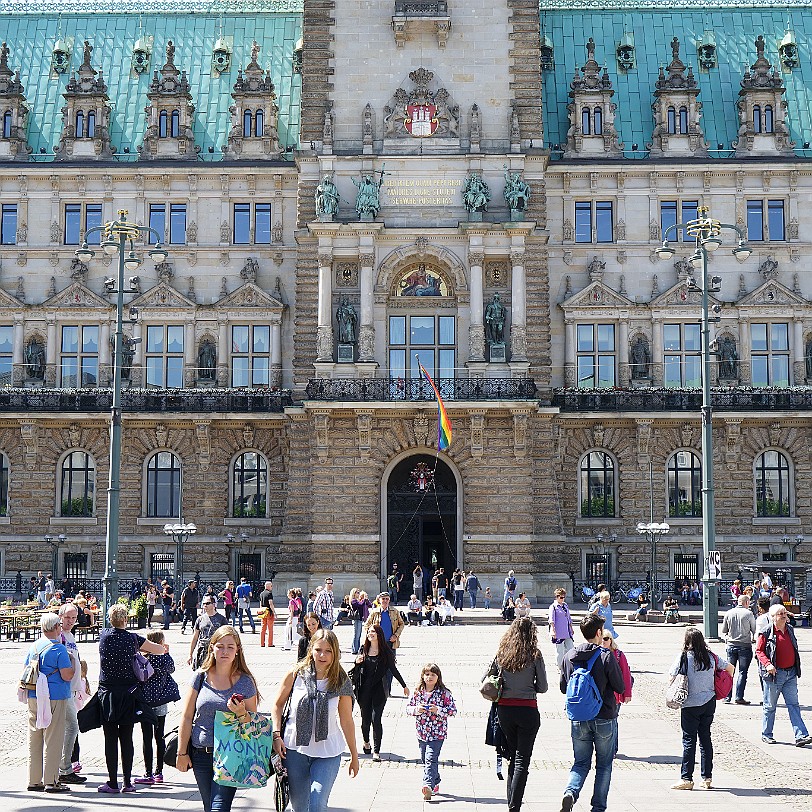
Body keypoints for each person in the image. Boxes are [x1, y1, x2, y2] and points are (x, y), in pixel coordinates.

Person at [271, 629, 359, 812]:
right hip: (294, 750)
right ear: (311, 649)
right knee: (300, 806)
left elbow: (346, 720)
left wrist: (354, 755)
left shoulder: (341, 681)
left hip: (328, 751)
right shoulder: (296, 674)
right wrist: (276, 735)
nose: (322, 655)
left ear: (335, 653)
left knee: (318, 804)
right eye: (318, 649)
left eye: (328, 651)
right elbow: (277, 705)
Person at [175, 626, 259, 812]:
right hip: (201, 753)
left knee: (218, 808)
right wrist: (182, 752)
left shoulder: (245, 681)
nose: (225, 651)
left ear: (238, 650)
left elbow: (253, 723)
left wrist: (240, 713)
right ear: (211, 648)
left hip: (231, 754)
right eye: (220, 646)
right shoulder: (200, 676)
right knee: (209, 806)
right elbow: (187, 716)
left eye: (230, 647)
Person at [97, 603, 167, 793]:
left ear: (110, 620)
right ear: (125, 620)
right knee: (126, 738)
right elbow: (159, 650)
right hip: (128, 694)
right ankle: (128, 782)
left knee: (110, 738)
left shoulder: (103, 636)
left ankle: (112, 782)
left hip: (108, 694)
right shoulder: (132, 639)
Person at [559, 614, 625, 812]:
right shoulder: (605, 656)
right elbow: (619, 687)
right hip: (604, 716)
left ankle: (570, 792)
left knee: (580, 763)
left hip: (579, 718)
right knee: (604, 765)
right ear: (598, 633)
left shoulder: (569, 656)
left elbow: (564, 687)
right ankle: (598, 807)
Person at [484, 617, 548, 812]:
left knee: (512, 756)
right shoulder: (535, 654)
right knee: (522, 759)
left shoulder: (502, 653)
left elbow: (487, 678)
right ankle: (514, 806)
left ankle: (512, 803)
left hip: (505, 710)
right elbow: (543, 687)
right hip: (528, 709)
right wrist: (530, 686)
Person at [668, 628, 734, 790]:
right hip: (709, 701)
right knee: (705, 739)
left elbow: (672, 676)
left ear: (687, 641)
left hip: (690, 704)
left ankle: (686, 778)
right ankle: (707, 778)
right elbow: (730, 668)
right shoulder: (711, 657)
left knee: (689, 740)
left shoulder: (684, 657)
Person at [24, 612, 75, 793]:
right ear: (55, 628)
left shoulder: (34, 646)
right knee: (53, 738)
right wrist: (74, 663)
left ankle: (34, 779)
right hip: (54, 696)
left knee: (35, 737)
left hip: (34, 696)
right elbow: (66, 674)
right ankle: (51, 781)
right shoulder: (59, 648)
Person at [756, 603, 812, 746]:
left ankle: (801, 735)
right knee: (770, 706)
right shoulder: (766, 632)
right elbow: (759, 651)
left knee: (793, 705)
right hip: (775, 675)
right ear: (773, 617)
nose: (784, 615)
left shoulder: (790, 629)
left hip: (790, 673)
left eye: (784, 613)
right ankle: (767, 734)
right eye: (781, 613)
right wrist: (768, 664)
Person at [352, 625, 409, 761]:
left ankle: (376, 751)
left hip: (379, 691)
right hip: (364, 690)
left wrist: (404, 686)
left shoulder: (386, 652)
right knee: (365, 721)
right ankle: (366, 743)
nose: (370, 633)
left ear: (379, 634)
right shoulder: (363, 649)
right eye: (369, 631)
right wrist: (357, 662)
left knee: (376, 719)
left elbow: (393, 670)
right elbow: (357, 669)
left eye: (373, 631)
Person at [406, 663, 458, 800]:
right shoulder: (418, 692)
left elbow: (453, 711)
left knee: (431, 758)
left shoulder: (444, 693)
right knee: (425, 759)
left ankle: (427, 785)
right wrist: (417, 709)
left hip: (437, 733)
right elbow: (408, 708)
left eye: (433, 675)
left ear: (438, 677)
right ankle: (436, 780)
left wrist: (439, 710)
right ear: (423, 676)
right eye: (427, 674)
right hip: (422, 732)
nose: (429, 677)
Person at [135, 630, 180, 785]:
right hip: (161, 702)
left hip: (146, 702)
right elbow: (172, 669)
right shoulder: (164, 658)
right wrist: (166, 652)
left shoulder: (142, 658)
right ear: (161, 642)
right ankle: (159, 772)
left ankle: (148, 773)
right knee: (159, 736)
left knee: (146, 738)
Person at [56, 603, 86, 786]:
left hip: (72, 689)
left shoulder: (71, 635)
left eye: (74, 618)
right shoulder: (58, 636)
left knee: (70, 728)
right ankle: (64, 768)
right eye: (67, 617)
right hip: (63, 689)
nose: (70, 621)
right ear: (60, 617)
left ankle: (65, 767)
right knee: (71, 727)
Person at [600, 631, 632, 755]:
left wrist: (627, 693)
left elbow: (625, 675)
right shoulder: (596, 653)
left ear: (611, 640)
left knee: (613, 720)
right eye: (602, 638)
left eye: (606, 639)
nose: (604, 641)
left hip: (615, 695)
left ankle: (612, 748)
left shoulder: (618, 655)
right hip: (601, 694)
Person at [721, 593, 756, 704]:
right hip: (744, 645)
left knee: (730, 672)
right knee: (742, 672)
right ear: (746, 603)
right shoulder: (748, 613)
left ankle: (727, 697)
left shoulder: (729, 613)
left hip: (731, 645)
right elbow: (754, 629)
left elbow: (724, 630)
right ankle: (738, 697)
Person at [188, 595, 227, 670]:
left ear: (214, 604)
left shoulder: (222, 619)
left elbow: (226, 637)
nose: (205, 605)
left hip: (215, 652)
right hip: (202, 652)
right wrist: (190, 654)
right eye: (204, 603)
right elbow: (195, 637)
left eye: (207, 603)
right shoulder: (200, 619)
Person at [548, 587, 575, 672]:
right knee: (560, 651)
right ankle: (560, 667)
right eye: (561, 597)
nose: (563, 599)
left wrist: (571, 627)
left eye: (564, 597)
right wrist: (552, 630)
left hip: (567, 631)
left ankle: (571, 664)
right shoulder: (553, 607)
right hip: (559, 631)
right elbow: (551, 619)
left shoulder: (565, 605)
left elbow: (569, 618)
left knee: (571, 648)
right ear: (557, 597)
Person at [351, 589, 372, 654]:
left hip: (360, 619)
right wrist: (364, 599)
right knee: (356, 635)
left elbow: (370, 605)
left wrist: (366, 600)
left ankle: (357, 648)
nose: (358, 593)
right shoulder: (353, 601)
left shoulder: (359, 600)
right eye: (357, 592)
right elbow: (360, 605)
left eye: (359, 592)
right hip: (356, 619)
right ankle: (354, 649)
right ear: (354, 593)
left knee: (359, 635)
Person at [258, 580, 276, 647]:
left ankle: (262, 643)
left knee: (263, 628)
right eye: (271, 586)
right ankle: (270, 643)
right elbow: (270, 603)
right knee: (270, 629)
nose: (272, 587)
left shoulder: (261, 594)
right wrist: (274, 612)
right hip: (269, 612)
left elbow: (260, 603)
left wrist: (260, 611)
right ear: (268, 586)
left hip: (263, 612)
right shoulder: (269, 594)